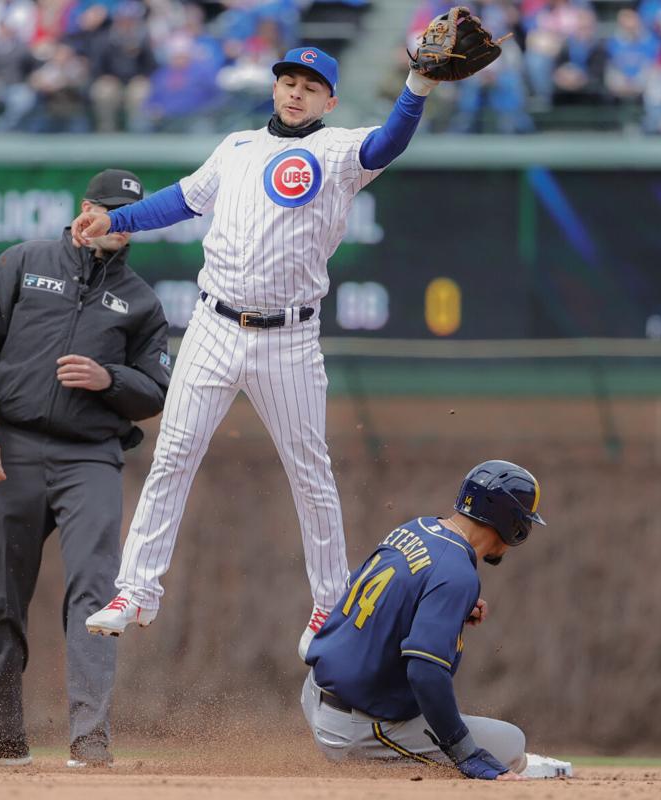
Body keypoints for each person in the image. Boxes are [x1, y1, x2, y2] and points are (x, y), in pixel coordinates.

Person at [74, 40, 455, 660]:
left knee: (312, 474)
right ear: (274, 88)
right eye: (288, 80)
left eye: (310, 85)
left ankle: (331, 603)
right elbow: (179, 200)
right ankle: (136, 590)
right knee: (173, 453)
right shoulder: (238, 147)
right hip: (213, 325)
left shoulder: (336, 151)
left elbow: (388, 143)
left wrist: (417, 86)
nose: (296, 91)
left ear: (330, 98)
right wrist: (115, 222)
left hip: (289, 338)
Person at [0, 169, 172, 768]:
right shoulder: (23, 261)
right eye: (108, 210)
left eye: (127, 215)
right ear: (84, 209)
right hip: (10, 449)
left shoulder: (140, 299)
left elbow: (158, 389)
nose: (116, 223)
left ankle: (89, 738)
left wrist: (108, 379)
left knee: (95, 596)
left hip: (89, 456)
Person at [301, 460, 573, 780]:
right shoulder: (456, 574)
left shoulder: (414, 528)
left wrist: (441, 605)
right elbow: (425, 672)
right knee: (511, 744)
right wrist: (465, 754)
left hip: (314, 694)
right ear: (513, 523)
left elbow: (366, 595)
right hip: (357, 730)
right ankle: (368, 758)